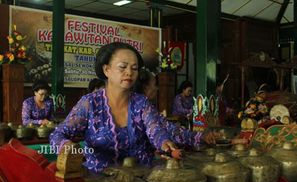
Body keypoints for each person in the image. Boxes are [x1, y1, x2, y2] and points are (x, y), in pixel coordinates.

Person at [50, 42, 218, 174]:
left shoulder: (141, 103)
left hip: (140, 179)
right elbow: (57, 134)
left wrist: (165, 143)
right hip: (99, 180)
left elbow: (156, 129)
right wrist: (66, 145)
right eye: (123, 67)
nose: (129, 72)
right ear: (106, 70)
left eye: (134, 68)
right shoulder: (89, 104)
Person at [133, 69, 220, 148]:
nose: (157, 88)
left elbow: (170, 129)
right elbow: (161, 131)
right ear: (146, 88)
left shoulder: (145, 107)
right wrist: (199, 136)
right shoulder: (146, 108)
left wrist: (200, 136)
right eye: (155, 85)